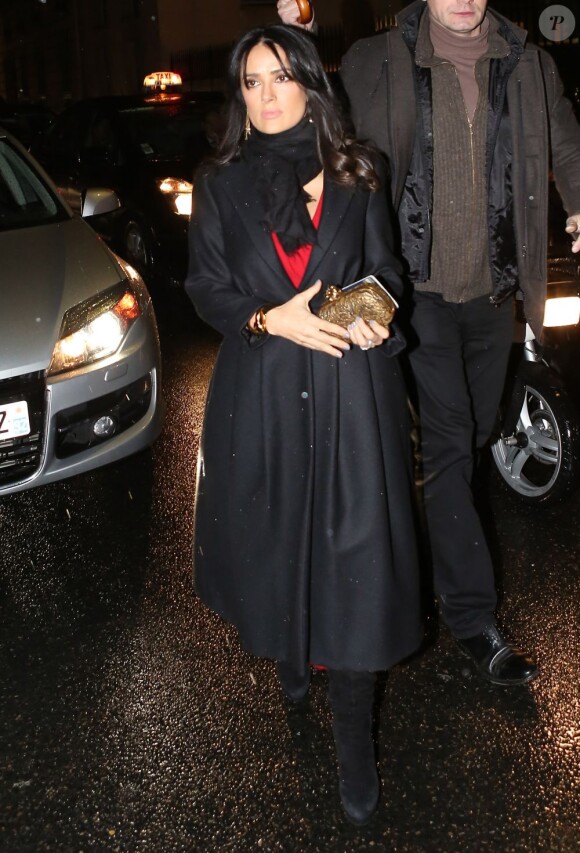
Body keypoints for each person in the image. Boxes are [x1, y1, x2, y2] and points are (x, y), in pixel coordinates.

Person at [278, 0, 580, 686]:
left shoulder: (530, 64)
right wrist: (296, 35)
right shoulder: (377, 60)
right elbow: (314, 120)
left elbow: (566, 144)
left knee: (476, 432)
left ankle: (435, 538)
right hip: (415, 288)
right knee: (449, 442)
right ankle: (475, 619)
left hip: (496, 287)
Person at [185, 24, 423, 825]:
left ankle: (354, 739)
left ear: (312, 83)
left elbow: (387, 269)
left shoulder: (359, 173)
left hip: (355, 404)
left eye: (281, 77)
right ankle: (291, 650)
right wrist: (266, 320)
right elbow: (206, 287)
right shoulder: (218, 184)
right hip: (262, 403)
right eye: (251, 82)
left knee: (357, 564)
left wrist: (376, 315)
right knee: (282, 544)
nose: (267, 94)